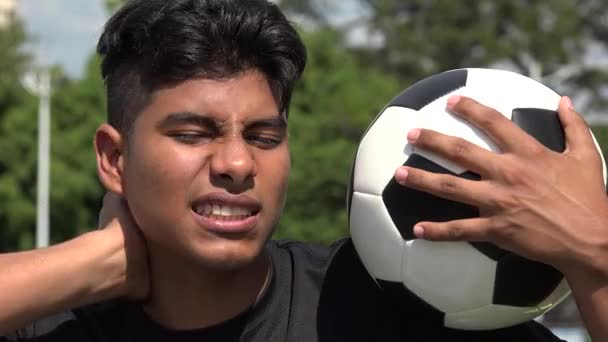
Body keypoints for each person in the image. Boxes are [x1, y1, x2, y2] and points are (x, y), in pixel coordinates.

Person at [1, 0, 607, 341]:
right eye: (193, 134)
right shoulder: (52, 326)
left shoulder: (391, 307)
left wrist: (594, 253)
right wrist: (98, 262)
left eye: (265, 137)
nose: (237, 164)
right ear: (114, 159)